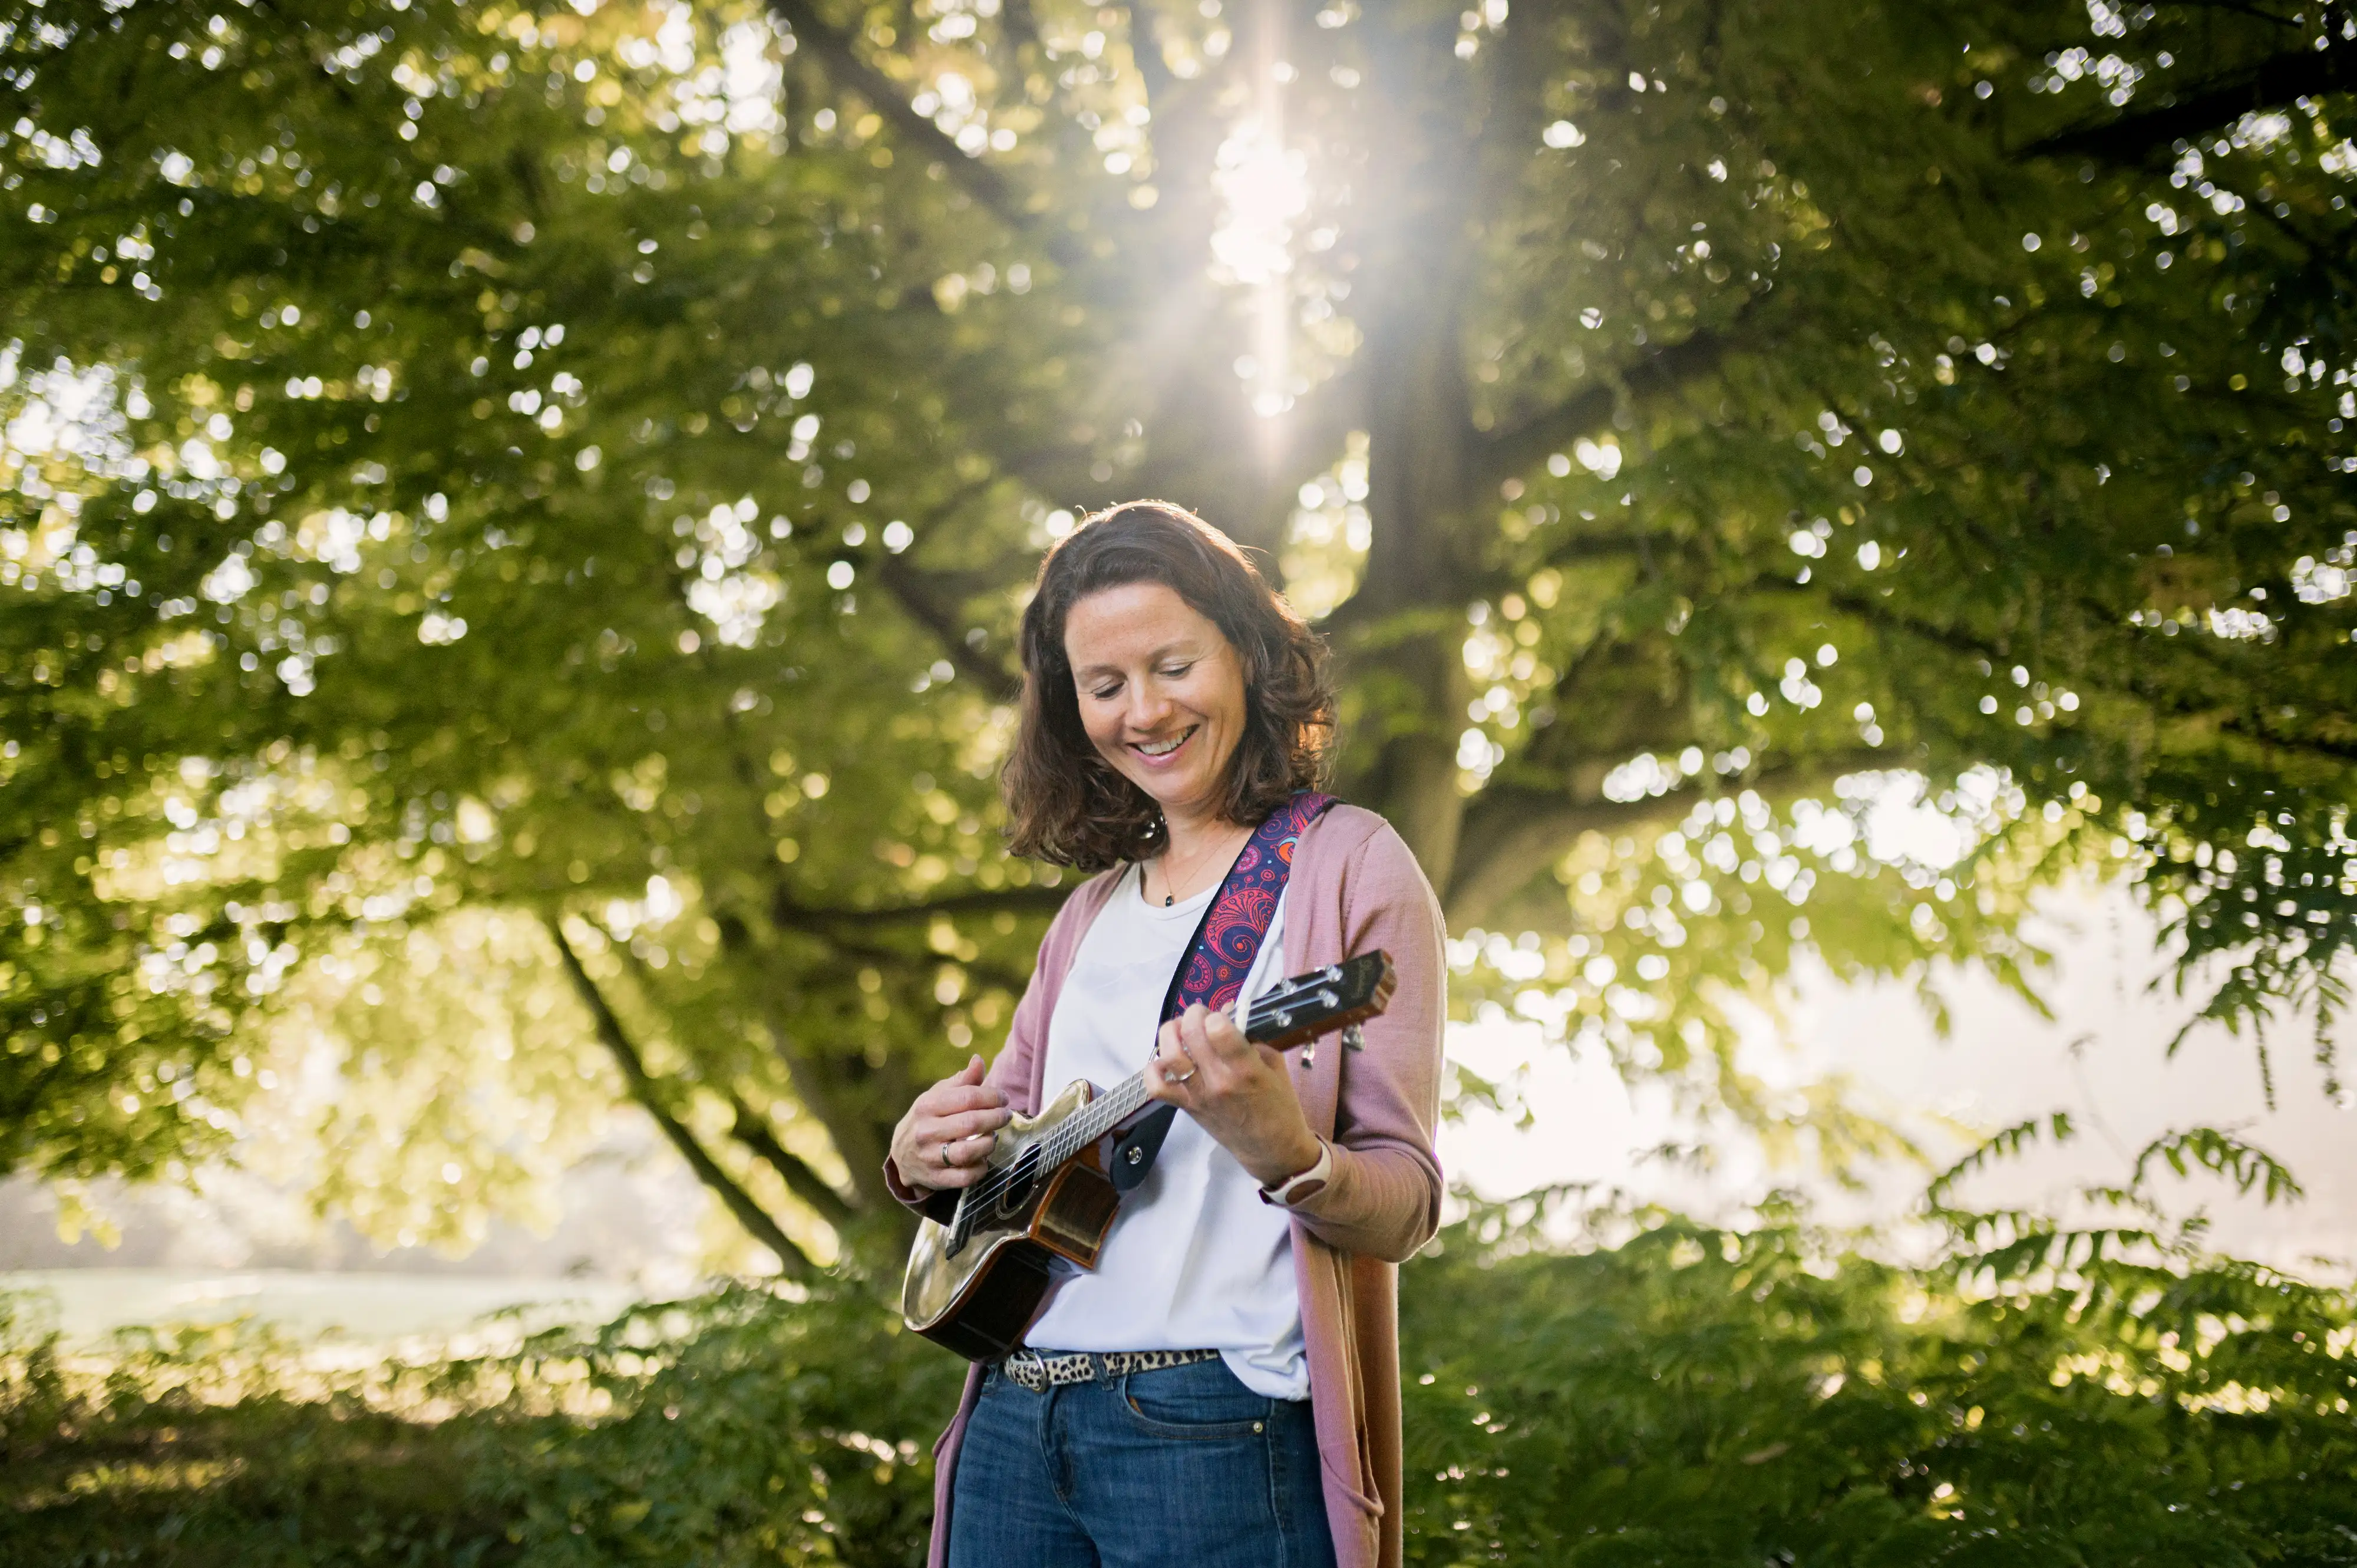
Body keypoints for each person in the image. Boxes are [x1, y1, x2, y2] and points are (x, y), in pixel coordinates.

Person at [884, 501, 1447, 1568]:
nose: (1142, 710)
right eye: (1103, 687)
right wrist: (924, 1157)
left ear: (1245, 652)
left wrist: (1287, 1151)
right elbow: (996, 1153)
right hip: (1015, 1414)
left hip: (1213, 1427)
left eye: (1173, 664)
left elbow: (1406, 1205)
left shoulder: (1349, 868)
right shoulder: (1089, 912)